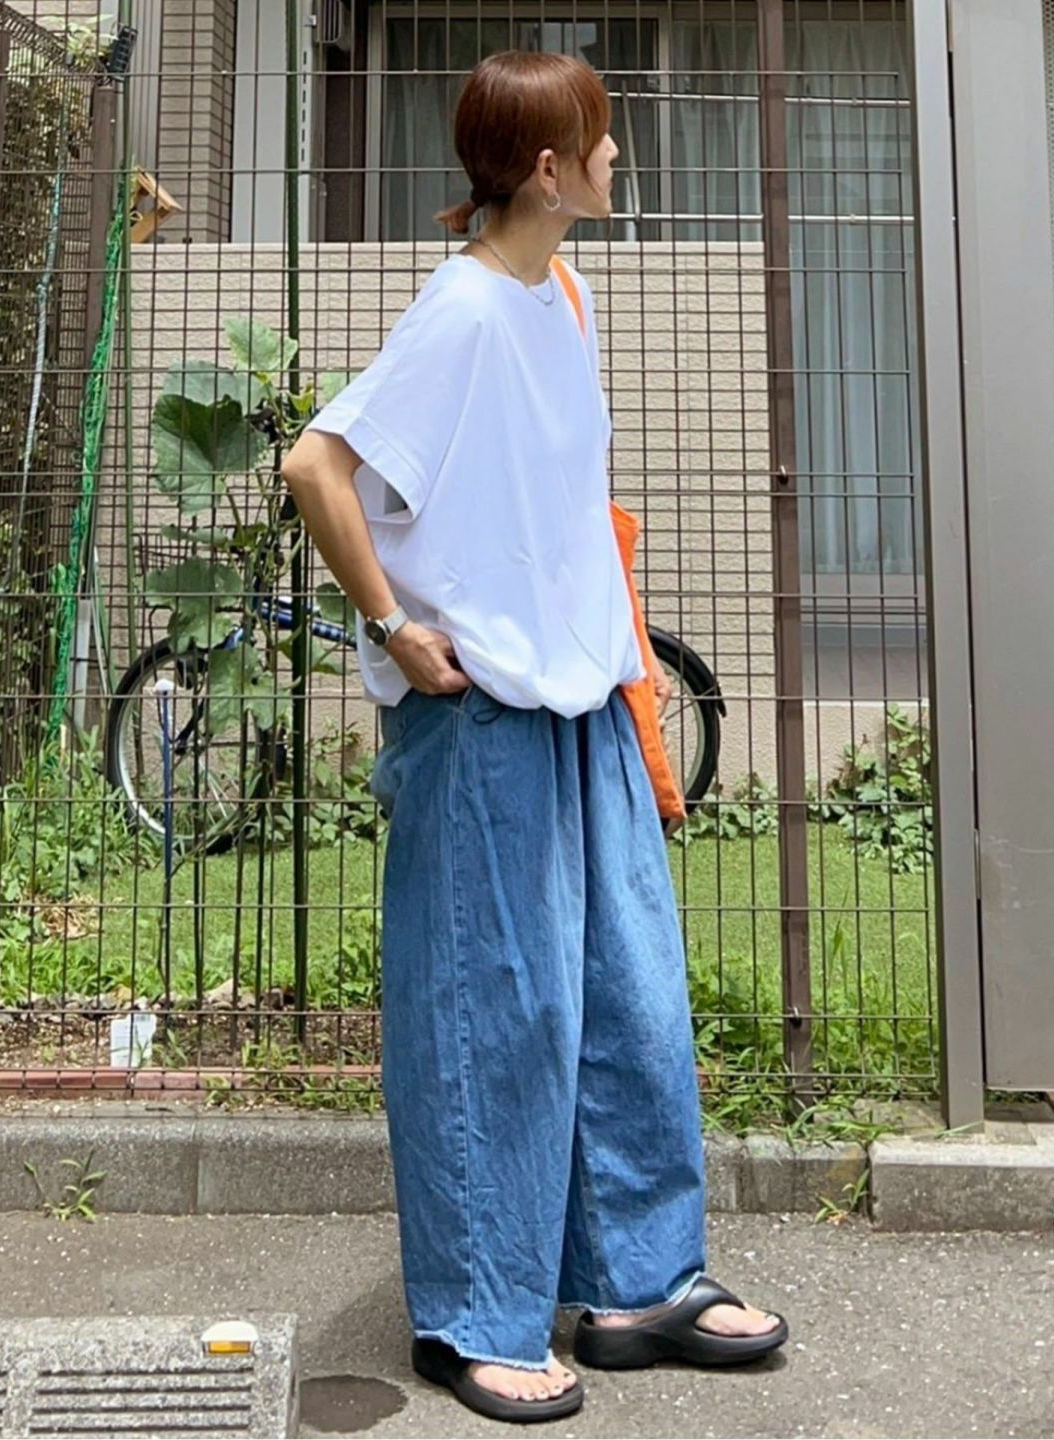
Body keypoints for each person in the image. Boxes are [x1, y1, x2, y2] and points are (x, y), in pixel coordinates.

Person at [280, 47, 788, 1425]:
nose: (620, 155)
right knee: (492, 1017)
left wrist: (618, 661)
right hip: (482, 722)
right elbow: (317, 465)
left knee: (630, 1000)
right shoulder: (459, 315)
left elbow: (551, 503)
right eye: (602, 139)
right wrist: (394, 625)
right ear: (551, 171)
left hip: (585, 711)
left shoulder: (562, 294)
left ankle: (639, 1286)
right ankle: (475, 1317)